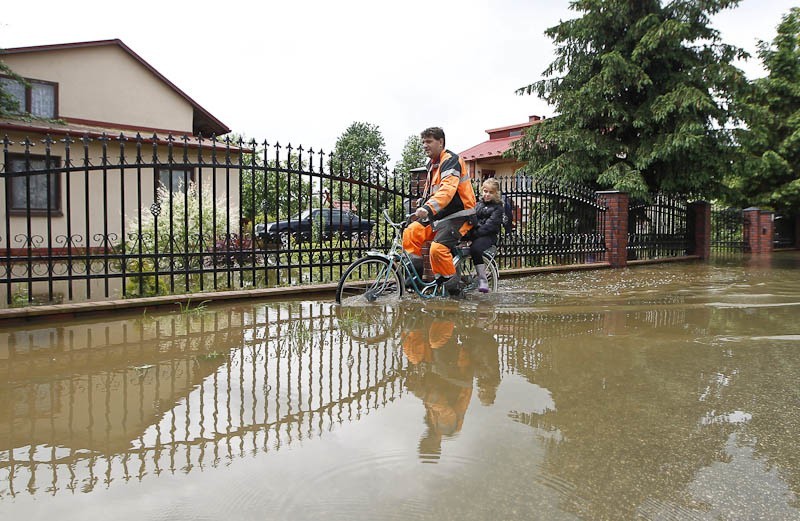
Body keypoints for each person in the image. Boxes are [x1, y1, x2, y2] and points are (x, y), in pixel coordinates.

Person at [403, 127, 477, 294]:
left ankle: (453, 292)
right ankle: (414, 283)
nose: (424, 145)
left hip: (460, 215)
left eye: (429, 141)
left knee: (437, 249)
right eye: (423, 142)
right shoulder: (432, 165)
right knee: (411, 233)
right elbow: (430, 193)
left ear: (441, 142)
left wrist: (428, 208)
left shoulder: (451, 160)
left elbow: (447, 190)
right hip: (441, 216)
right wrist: (418, 210)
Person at [466, 178, 504, 292]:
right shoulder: (478, 205)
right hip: (475, 233)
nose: (487, 194)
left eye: (490, 192)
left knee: (475, 249)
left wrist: (474, 235)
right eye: (485, 191)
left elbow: (489, 226)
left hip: (488, 236)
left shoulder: (498, 208)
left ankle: (483, 279)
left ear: (496, 193)